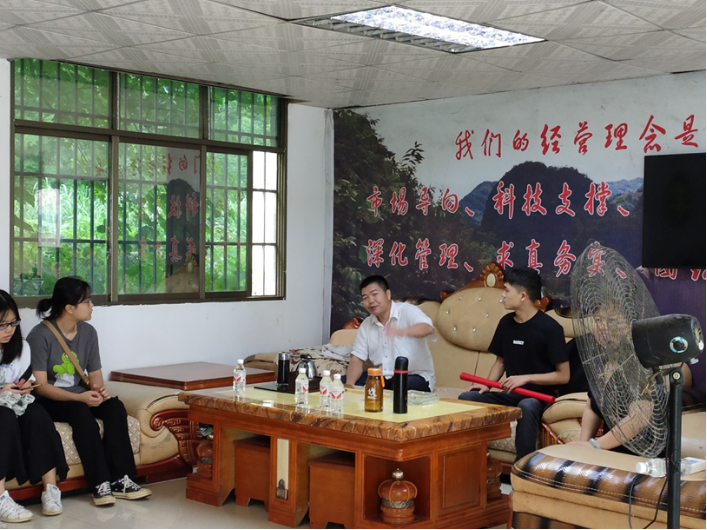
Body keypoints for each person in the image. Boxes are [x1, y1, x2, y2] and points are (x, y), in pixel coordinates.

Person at [26, 278, 151, 507]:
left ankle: (120, 479)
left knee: (114, 407)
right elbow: (40, 385)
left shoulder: (89, 332)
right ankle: (100, 483)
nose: (92, 306)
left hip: (79, 395)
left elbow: (94, 374)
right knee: (81, 413)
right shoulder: (40, 335)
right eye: (87, 301)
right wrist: (79, 398)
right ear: (69, 308)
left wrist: (98, 391)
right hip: (49, 399)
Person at [458, 267, 569, 461]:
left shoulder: (551, 328)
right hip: (511, 393)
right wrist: (487, 385)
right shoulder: (506, 323)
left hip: (539, 397)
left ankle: (523, 465)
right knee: (468, 397)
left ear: (523, 295)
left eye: (507, 290)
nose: (502, 295)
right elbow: (500, 362)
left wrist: (526, 378)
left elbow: (563, 375)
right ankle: (469, 458)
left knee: (527, 405)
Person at [0, 290, 68, 523]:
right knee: (4, 417)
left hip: (14, 402)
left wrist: (26, 386)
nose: (9, 330)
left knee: (37, 413)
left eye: (13, 323)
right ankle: (0, 498)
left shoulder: (22, 347)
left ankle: (50, 489)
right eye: (2, 325)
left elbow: (27, 380)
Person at [344, 275, 436, 392]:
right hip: (382, 377)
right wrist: (349, 386)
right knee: (340, 381)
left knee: (399, 386)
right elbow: (357, 359)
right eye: (365, 297)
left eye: (375, 294)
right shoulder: (366, 325)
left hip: (414, 376)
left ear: (388, 294)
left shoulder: (407, 311)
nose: (371, 301)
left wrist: (402, 331)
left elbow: (428, 328)